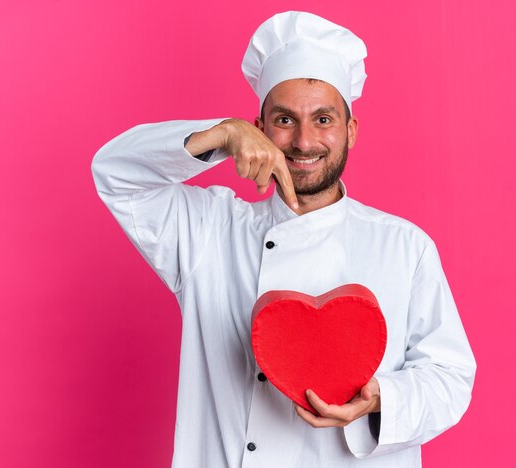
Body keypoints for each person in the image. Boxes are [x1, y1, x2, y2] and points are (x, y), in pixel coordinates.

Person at [92, 11, 476, 468]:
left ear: (350, 131)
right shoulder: (209, 230)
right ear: (260, 128)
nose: (305, 140)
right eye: (285, 119)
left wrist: (379, 399)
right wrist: (221, 134)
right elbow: (116, 173)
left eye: (324, 119)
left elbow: (451, 377)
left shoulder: (405, 247)